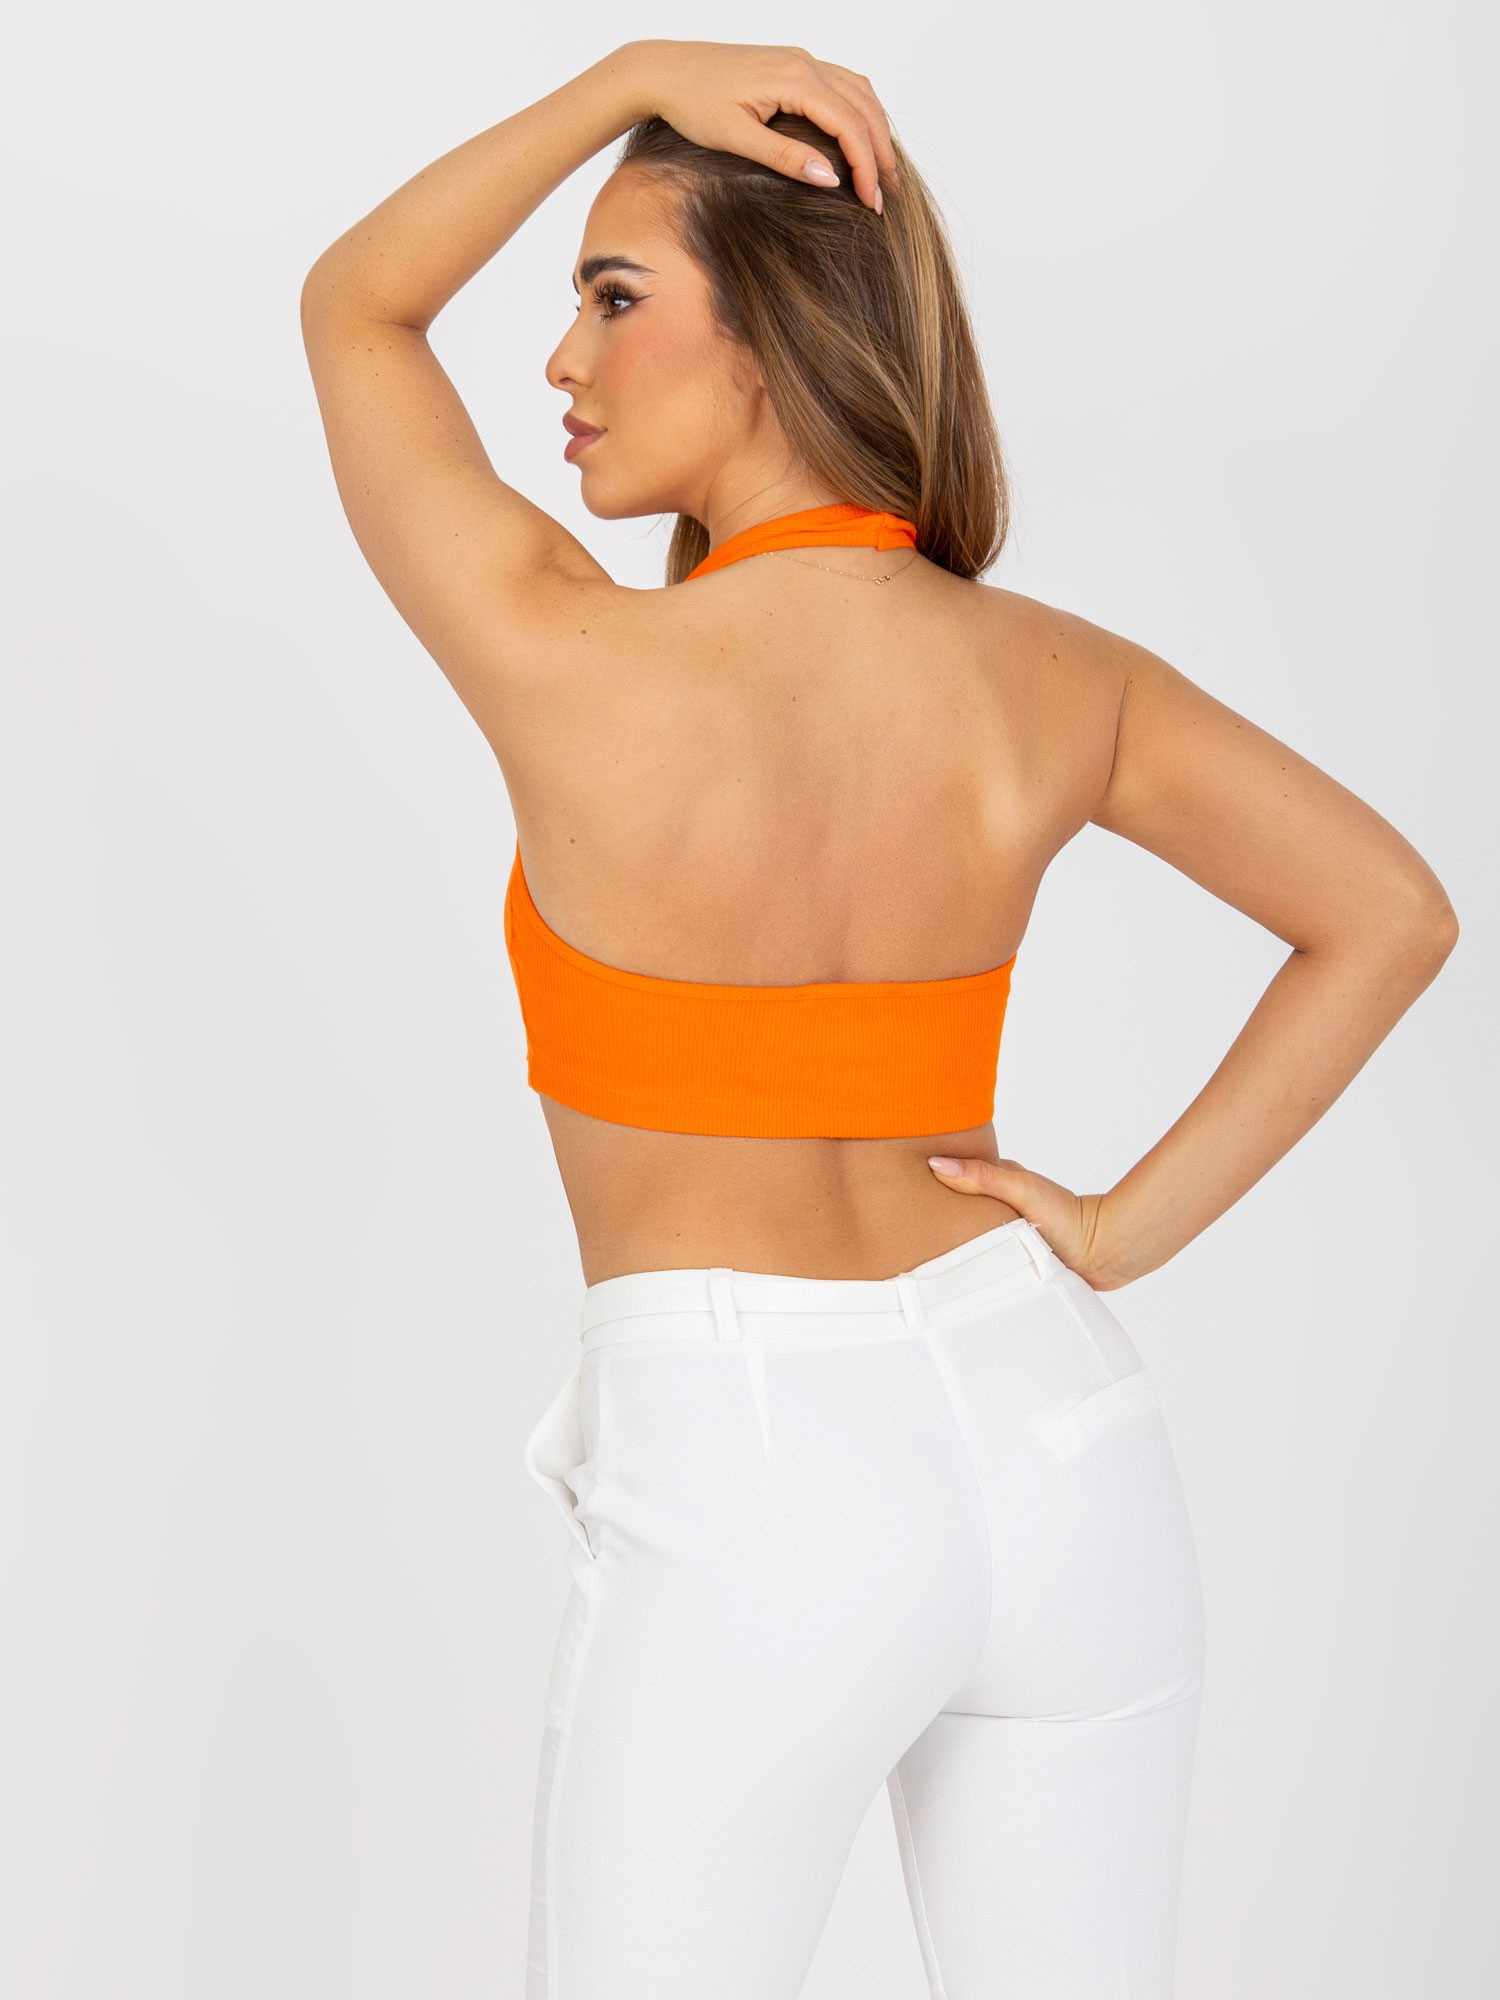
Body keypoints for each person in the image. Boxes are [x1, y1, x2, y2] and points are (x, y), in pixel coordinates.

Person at [299, 38, 1459, 2000]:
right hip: (1062, 1444)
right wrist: (1117, 1236)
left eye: (612, 297)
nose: (562, 362)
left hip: (750, 1469)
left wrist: (629, 75)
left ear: (767, 337)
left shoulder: (567, 655)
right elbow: (1390, 913)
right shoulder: (1055, 678)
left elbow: (354, 304)